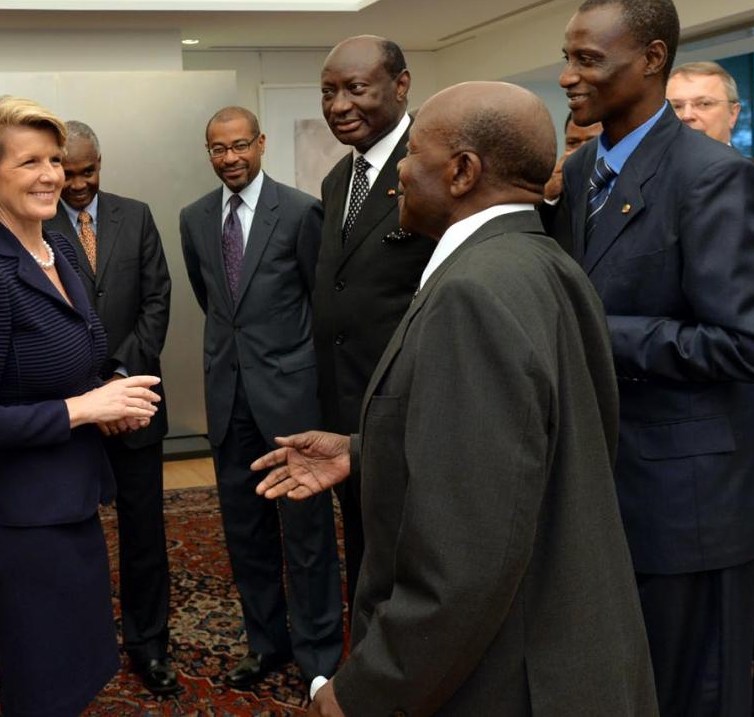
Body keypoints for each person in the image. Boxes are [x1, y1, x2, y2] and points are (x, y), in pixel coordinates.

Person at [253, 81, 658, 717]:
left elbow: (465, 560)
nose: (399, 176)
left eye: (412, 155)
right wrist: (366, 450)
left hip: (506, 673)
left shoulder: (474, 291)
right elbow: (523, 443)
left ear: (464, 172)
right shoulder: (544, 262)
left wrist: (363, 692)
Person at [558, 0, 754, 715]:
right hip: (609, 487)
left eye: (588, 59)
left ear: (652, 59)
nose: (568, 76)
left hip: (692, 506)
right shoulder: (582, 173)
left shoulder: (711, 176)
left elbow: (751, 344)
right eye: (567, 58)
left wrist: (598, 331)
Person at [0, 96, 162, 717]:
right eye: (29, 162)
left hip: (73, 505)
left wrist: (110, 397)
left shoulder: (59, 251)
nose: (51, 176)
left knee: (80, 678)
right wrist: (85, 408)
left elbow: (77, 364)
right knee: (43, 693)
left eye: (56, 160)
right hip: (23, 526)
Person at [178, 106, 343, 690]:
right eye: (218, 149)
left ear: (261, 144)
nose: (230, 158)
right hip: (229, 401)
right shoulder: (194, 219)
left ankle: (321, 656)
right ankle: (266, 644)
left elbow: (319, 305)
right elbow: (214, 301)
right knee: (246, 535)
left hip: (290, 403)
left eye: (240, 146)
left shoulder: (300, 213)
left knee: (307, 537)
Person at [42, 120, 178, 695]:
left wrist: (122, 379)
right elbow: (41, 321)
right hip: (70, 409)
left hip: (137, 403)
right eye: (67, 172)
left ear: (102, 162)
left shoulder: (137, 215)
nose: (76, 184)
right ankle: (78, 642)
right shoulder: (35, 223)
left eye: (87, 171)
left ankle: (149, 644)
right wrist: (93, 395)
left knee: (143, 532)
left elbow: (156, 300)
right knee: (70, 534)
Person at [666, 60, 754, 713]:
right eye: (676, 106)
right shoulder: (653, 187)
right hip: (673, 412)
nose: (688, 116)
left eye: (702, 104)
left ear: (734, 114)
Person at [312, 35, 435, 612]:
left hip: (411, 411)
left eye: (355, 89)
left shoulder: (434, 165)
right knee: (363, 552)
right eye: (328, 93)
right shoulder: (338, 178)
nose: (339, 106)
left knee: (413, 561)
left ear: (401, 85)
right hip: (347, 409)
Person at [543, 113, 604, 250]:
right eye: (572, 143)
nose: (582, 150)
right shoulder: (555, 186)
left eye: (591, 141)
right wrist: (549, 196)